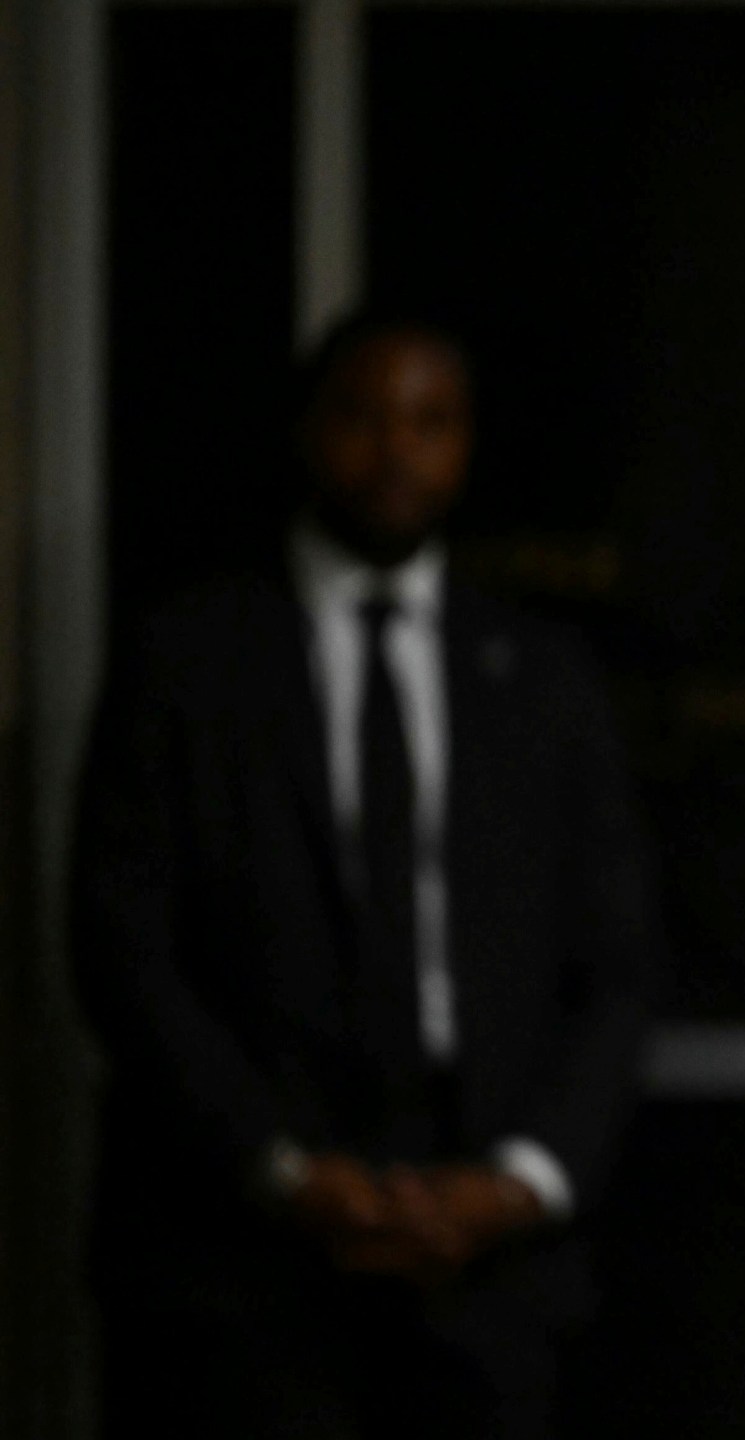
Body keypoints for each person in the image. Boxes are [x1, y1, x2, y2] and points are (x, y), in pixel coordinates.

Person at [73, 313, 657, 1437]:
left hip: (491, 1263)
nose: (395, 452)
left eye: (430, 423)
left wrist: (520, 1180)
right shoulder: (188, 657)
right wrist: (281, 1168)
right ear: (307, 431)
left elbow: (618, 966)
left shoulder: (542, 677)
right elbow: (121, 946)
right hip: (238, 1261)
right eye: (362, 416)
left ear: (468, 445)